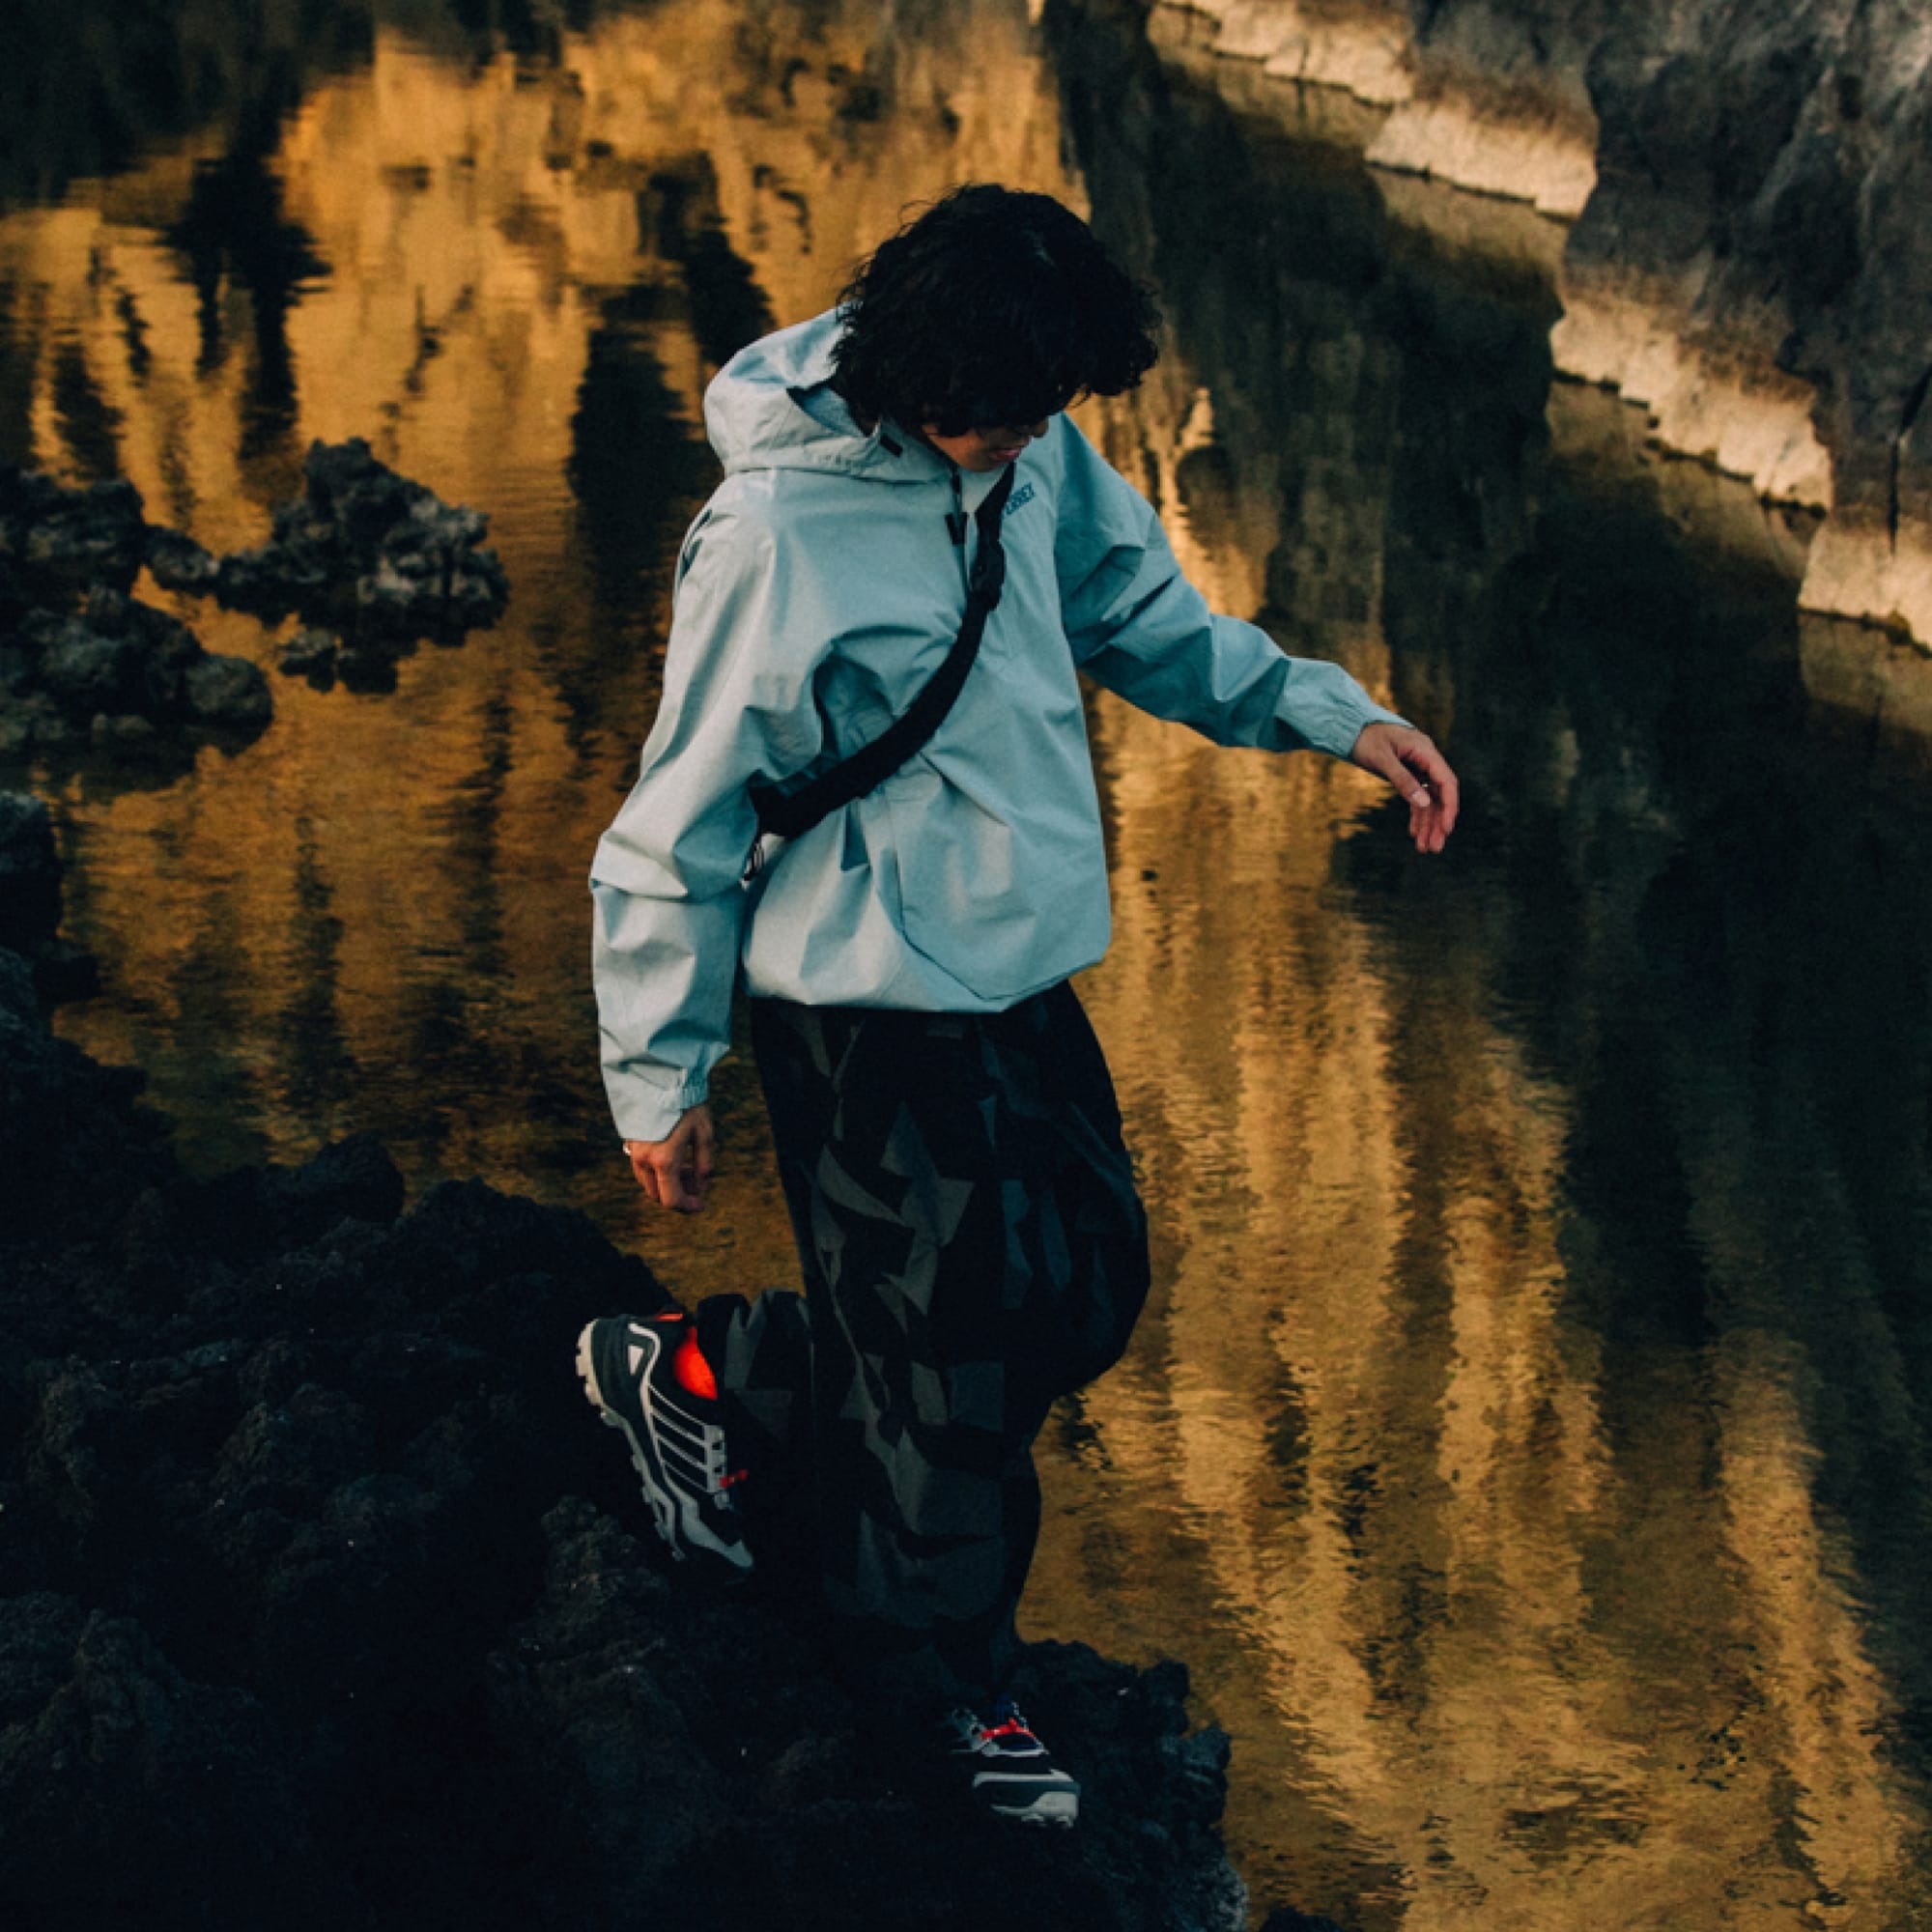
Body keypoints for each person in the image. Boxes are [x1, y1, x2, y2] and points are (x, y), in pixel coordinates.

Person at [575, 184, 1458, 1830]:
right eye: (1004, 415)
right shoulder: (773, 539)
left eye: (1047, 409)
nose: (1028, 439)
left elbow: (1144, 619)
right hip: (859, 1006)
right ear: (924, 374)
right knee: (950, 1371)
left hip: (1017, 975)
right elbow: (673, 825)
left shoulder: (1027, 441)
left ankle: (710, 1376)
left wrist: (1331, 715)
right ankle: (944, 1694)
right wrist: (661, 1073)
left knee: (1082, 1286)